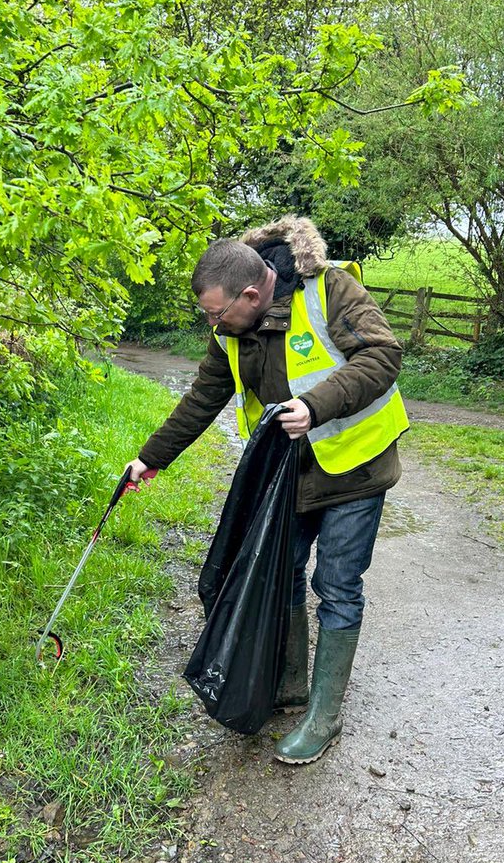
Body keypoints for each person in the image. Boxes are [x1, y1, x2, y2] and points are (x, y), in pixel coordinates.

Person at [125, 215, 409, 765]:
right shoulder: (231, 331)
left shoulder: (330, 290)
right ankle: (289, 687)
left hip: (356, 466)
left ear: (251, 294)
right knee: (279, 572)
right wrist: (150, 459)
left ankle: (324, 718)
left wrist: (318, 404)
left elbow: (383, 355)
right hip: (288, 473)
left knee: (337, 585)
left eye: (216, 311)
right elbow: (203, 398)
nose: (212, 321)